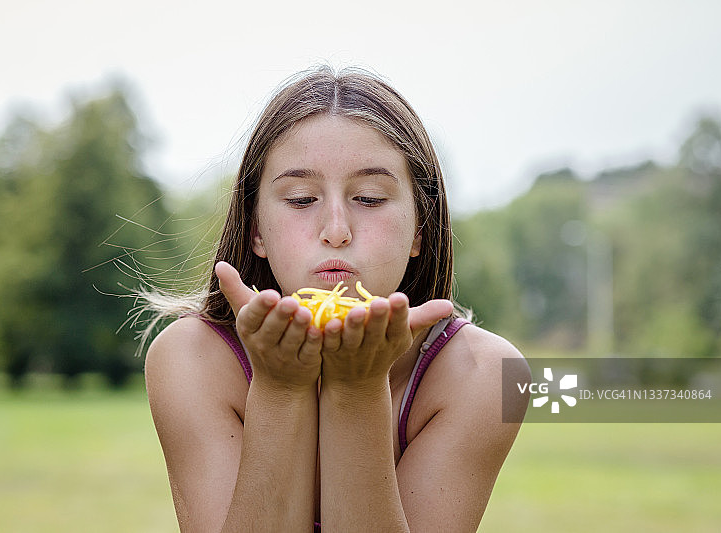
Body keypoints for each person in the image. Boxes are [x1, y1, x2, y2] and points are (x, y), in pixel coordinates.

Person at [143, 65, 530, 532]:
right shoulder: (192, 358)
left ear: (420, 230)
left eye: (369, 198)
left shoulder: (484, 374)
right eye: (302, 199)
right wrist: (280, 389)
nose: (336, 231)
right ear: (256, 230)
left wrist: (357, 389)